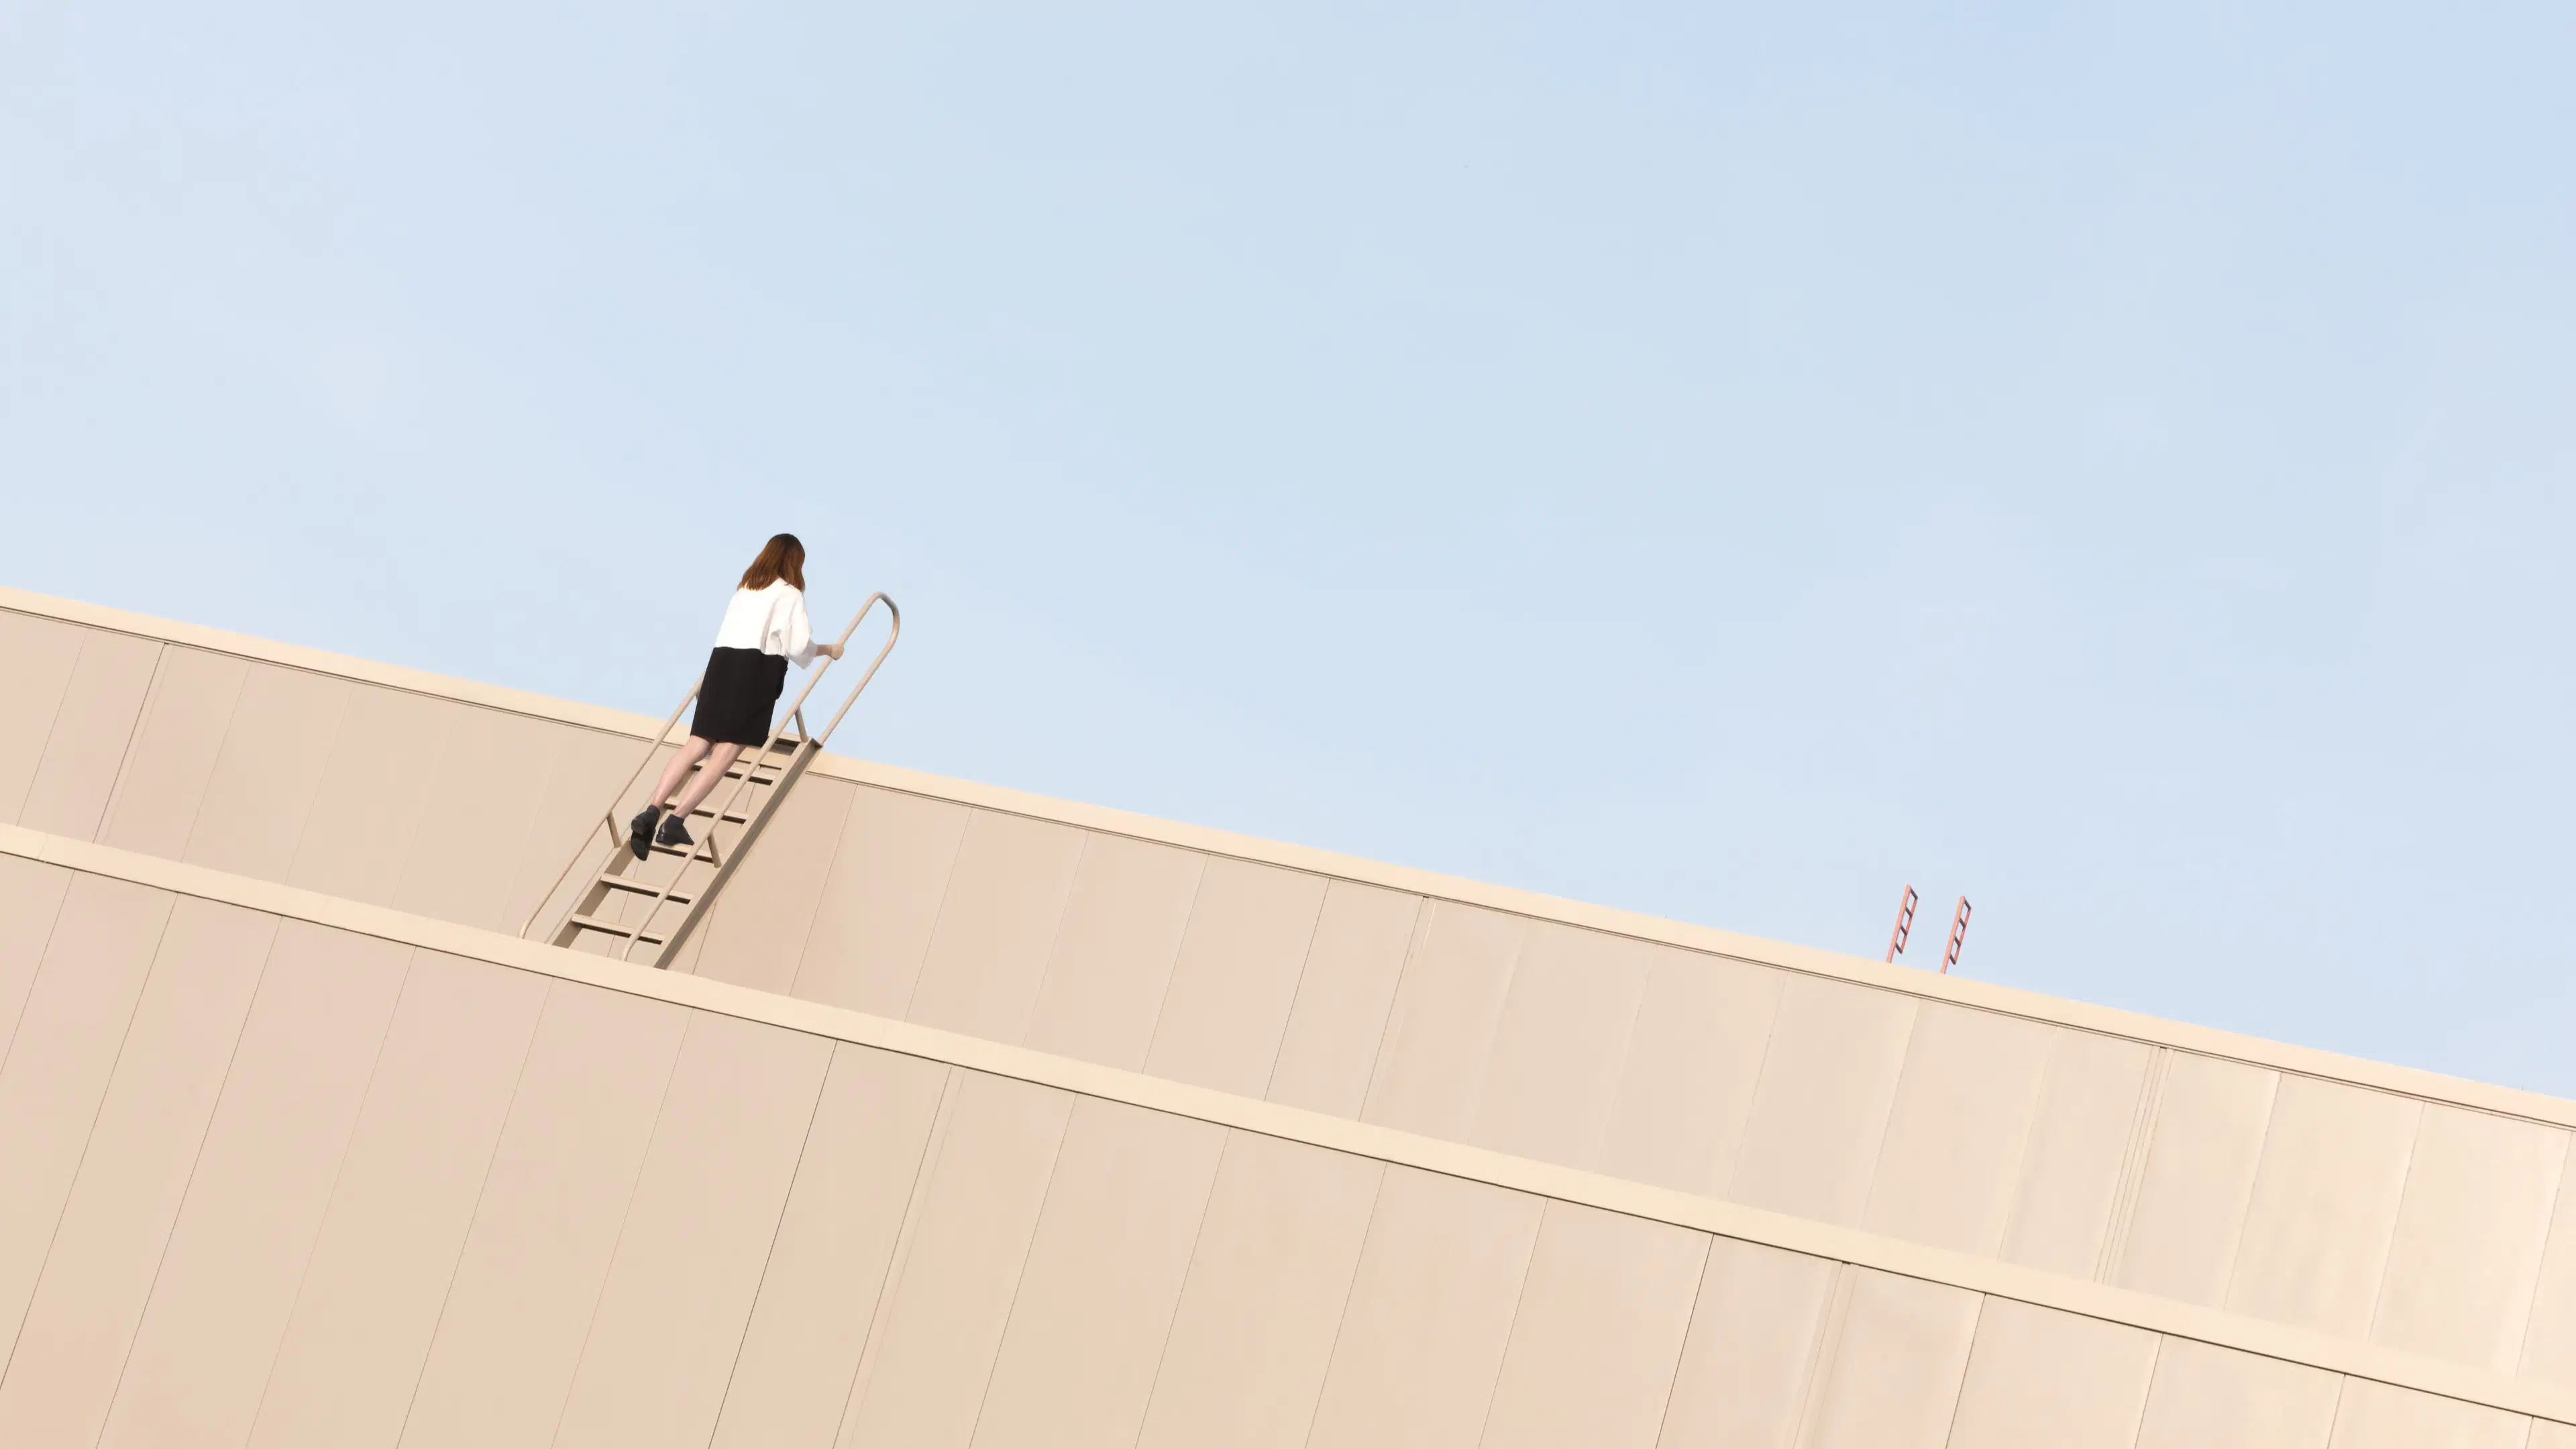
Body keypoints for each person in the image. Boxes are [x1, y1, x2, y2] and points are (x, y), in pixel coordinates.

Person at [629, 533, 845, 859]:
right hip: (756, 671)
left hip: (721, 665)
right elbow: (798, 647)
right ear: (794, 562)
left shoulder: (745, 589)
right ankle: (676, 820)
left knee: (697, 744)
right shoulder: (790, 595)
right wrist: (830, 650)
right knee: (726, 752)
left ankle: (652, 810)